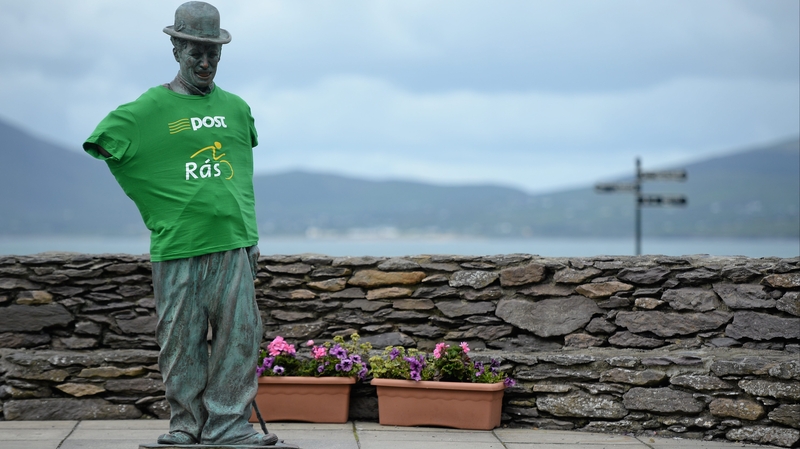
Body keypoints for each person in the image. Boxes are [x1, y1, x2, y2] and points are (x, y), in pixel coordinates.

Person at [83, 2, 289, 446]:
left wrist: (251, 237)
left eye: (213, 52)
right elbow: (103, 144)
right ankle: (185, 425)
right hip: (178, 246)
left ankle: (229, 426)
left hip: (234, 244)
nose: (205, 61)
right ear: (176, 47)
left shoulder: (237, 109)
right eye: (195, 50)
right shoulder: (147, 109)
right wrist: (157, 204)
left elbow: (241, 175)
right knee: (180, 342)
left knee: (240, 339)